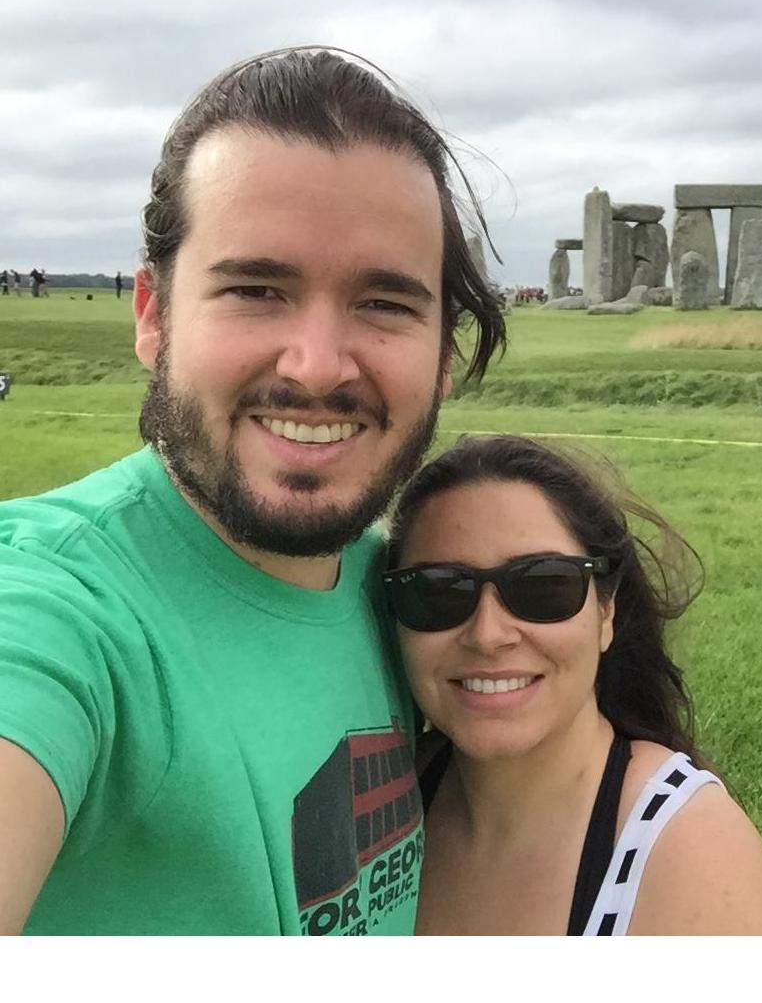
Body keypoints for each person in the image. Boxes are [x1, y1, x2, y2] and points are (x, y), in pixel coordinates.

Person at [0, 47, 506, 935]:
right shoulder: (56, 613)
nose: (316, 367)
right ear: (153, 315)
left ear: (444, 350)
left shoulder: (405, 591)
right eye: (256, 289)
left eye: (385, 304)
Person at [383, 434, 762, 935]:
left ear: (606, 611)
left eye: (543, 585)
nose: (488, 635)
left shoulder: (690, 850)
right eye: (437, 591)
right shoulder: (391, 801)